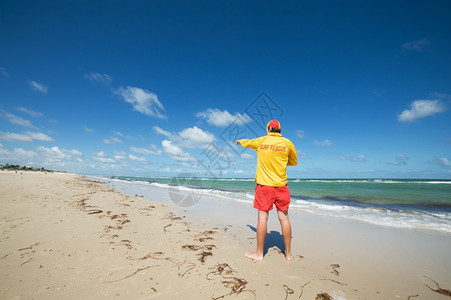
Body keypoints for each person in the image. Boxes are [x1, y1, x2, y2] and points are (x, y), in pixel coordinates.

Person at [236, 120, 298, 261]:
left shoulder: (261, 141)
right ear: (279, 130)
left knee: (262, 218)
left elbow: (248, 142)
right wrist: (280, 160)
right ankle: (288, 254)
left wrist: (240, 141)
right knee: (284, 218)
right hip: (282, 186)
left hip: (265, 187)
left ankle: (259, 254)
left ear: (269, 128)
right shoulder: (287, 143)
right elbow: (294, 162)